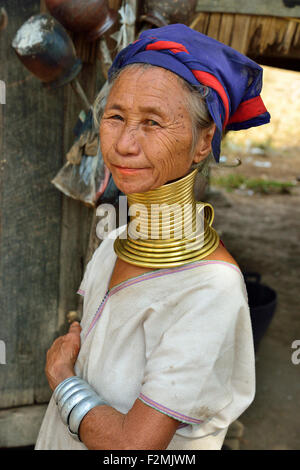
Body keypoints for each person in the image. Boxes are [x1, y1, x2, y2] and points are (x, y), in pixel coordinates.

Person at [35, 24, 270, 450]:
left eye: (153, 122)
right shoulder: (114, 243)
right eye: (116, 116)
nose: (125, 143)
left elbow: (133, 448)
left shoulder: (209, 288)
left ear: (203, 142)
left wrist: (61, 377)